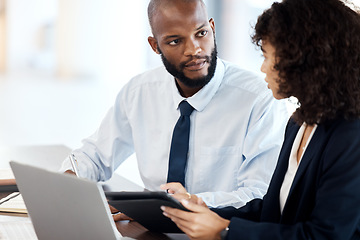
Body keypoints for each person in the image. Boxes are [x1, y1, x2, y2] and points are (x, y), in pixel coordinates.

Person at [60, 0, 288, 212]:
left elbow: (260, 194)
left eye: (201, 33)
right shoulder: (139, 92)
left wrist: (190, 202)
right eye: (175, 41)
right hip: (152, 229)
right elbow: (95, 157)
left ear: (212, 27)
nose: (194, 49)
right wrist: (66, 182)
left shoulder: (259, 98)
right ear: (155, 45)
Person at [161, 0, 360, 239]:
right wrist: (205, 212)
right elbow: (272, 211)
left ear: (302, 60)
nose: (263, 68)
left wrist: (225, 232)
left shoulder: (351, 136)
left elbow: (324, 235)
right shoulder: (300, 122)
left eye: (267, 56)